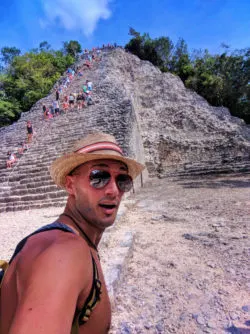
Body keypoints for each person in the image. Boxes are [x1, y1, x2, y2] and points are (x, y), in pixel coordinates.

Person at [0, 132, 144, 333]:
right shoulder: (65, 253)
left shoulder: (75, 241)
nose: (113, 190)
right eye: (99, 177)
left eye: (122, 180)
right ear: (70, 185)